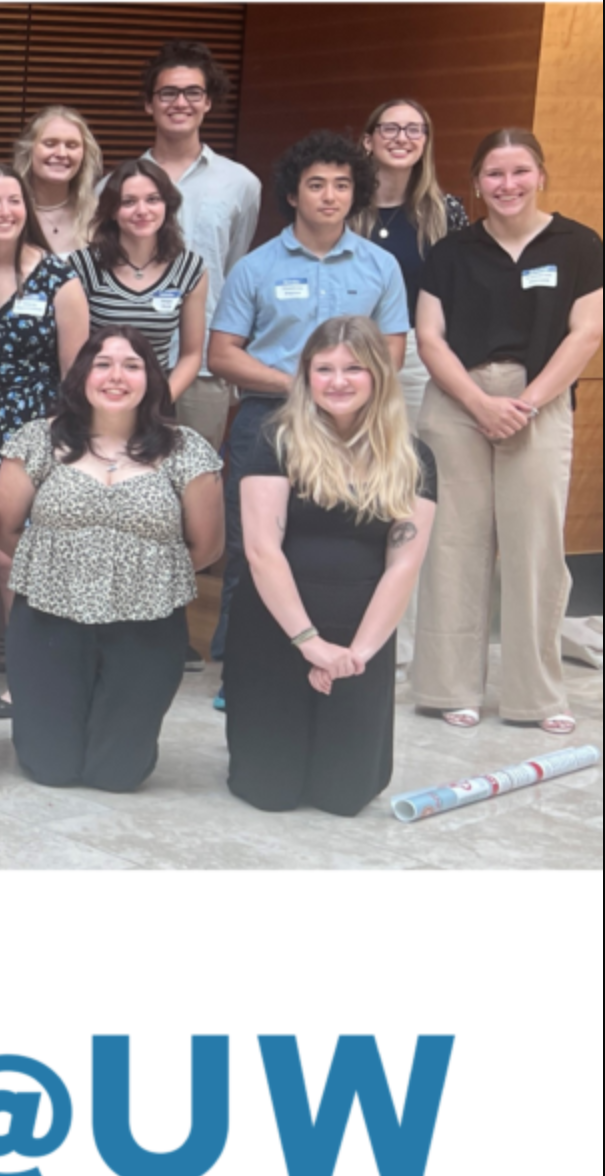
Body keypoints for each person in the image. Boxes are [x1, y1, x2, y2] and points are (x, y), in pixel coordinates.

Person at [413, 129, 602, 737]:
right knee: (452, 547)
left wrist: (524, 404)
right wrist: (478, 402)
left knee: (536, 549)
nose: (508, 185)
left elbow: (587, 333)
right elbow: (429, 337)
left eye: (520, 171)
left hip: (538, 402)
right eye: (494, 174)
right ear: (477, 184)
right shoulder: (452, 251)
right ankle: (448, 688)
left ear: (541, 175)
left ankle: (536, 695)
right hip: (456, 400)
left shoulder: (580, 244)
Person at [207, 131, 407, 677]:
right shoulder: (255, 267)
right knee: (253, 551)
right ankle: (239, 669)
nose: (330, 196)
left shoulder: (380, 267)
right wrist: (302, 388)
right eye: (315, 184)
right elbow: (222, 354)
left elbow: (391, 351)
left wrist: (339, 394)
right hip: (267, 422)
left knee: (338, 545)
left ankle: (335, 658)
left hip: (353, 429)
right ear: (292, 195)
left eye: (342, 185)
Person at [0, 329, 224, 792]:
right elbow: (3, 528)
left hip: (147, 622)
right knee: (49, 768)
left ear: (151, 380)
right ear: (82, 375)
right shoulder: (37, 440)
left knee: (119, 775)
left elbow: (208, 546)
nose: (116, 375)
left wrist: (141, 570)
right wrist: (63, 564)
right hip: (48, 618)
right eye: (102, 364)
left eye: (132, 365)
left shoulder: (186, 450)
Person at [225, 316, 436, 815]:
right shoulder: (276, 442)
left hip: (360, 634)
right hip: (279, 627)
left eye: (354, 369)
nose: (338, 381)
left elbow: (403, 565)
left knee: (344, 797)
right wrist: (310, 644)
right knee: (270, 793)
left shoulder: (413, 456)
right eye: (324, 369)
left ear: (378, 377)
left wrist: (353, 656)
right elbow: (261, 550)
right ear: (306, 375)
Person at [138, 39, 261, 451]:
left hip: (207, 363)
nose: (180, 102)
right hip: (133, 360)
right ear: (149, 104)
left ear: (208, 102)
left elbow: (235, 268)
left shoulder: (241, 184)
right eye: (168, 92)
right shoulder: (118, 184)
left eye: (193, 92)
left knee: (197, 480)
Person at [0, 163, 88, 492]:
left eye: (14, 201)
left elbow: (75, 376)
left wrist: (58, 438)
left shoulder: (59, 279)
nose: (5, 212)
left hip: (37, 428)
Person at [357, 98, 471, 423]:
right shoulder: (344, 207)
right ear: (368, 141)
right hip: (350, 345)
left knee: (415, 458)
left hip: (418, 351)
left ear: (425, 141)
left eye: (414, 130)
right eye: (390, 128)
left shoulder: (445, 212)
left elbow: (461, 290)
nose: (402, 138)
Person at [67, 159, 208, 401]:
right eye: (128, 202)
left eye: (153, 200)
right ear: (112, 211)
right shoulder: (82, 266)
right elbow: (72, 354)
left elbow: (191, 355)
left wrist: (161, 401)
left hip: (156, 402)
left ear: (167, 205)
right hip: (95, 399)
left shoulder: (190, 269)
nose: (142, 211)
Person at [13, 106, 100, 256]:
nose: (61, 153)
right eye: (50, 143)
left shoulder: (99, 216)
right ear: (28, 149)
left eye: (72, 145)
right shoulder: (8, 214)